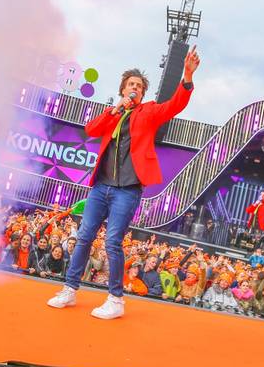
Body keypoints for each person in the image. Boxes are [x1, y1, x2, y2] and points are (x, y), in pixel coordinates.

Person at [48, 46, 201, 319]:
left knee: (113, 242)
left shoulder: (149, 112)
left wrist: (187, 77)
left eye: (139, 86)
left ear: (143, 93)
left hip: (127, 190)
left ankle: (116, 299)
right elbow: (91, 130)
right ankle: (69, 289)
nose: (135, 88)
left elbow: (175, 105)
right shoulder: (114, 114)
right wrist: (115, 108)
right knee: (83, 237)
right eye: (131, 84)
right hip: (101, 187)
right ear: (122, 89)